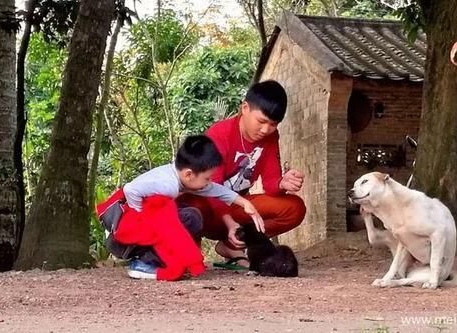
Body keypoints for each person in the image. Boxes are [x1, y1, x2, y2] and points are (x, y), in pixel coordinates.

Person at [178, 80, 306, 269]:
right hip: (208, 209)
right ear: (245, 108)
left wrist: (282, 183)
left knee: (294, 208)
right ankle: (187, 252)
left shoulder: (270, 137)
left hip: (238, 207)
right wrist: (229, 223)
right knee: (191, 205)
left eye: (273, 124)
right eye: (261, 121)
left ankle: (231, 246)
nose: (265, 130)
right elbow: (211, 188)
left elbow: (270, 183)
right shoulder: (220, 133)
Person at [103, 135, 264, 280]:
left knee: (190, 215)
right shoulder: (168, 184)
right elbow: (130, 189)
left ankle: (156, 259)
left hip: (137, 229)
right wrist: (140, 214)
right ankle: (143, 263)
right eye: (207, 178)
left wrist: (244, 203)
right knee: (188, 218)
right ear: (188, 174)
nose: (209, 182)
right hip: (124, 235)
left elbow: (215, 190)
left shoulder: (183, 177)